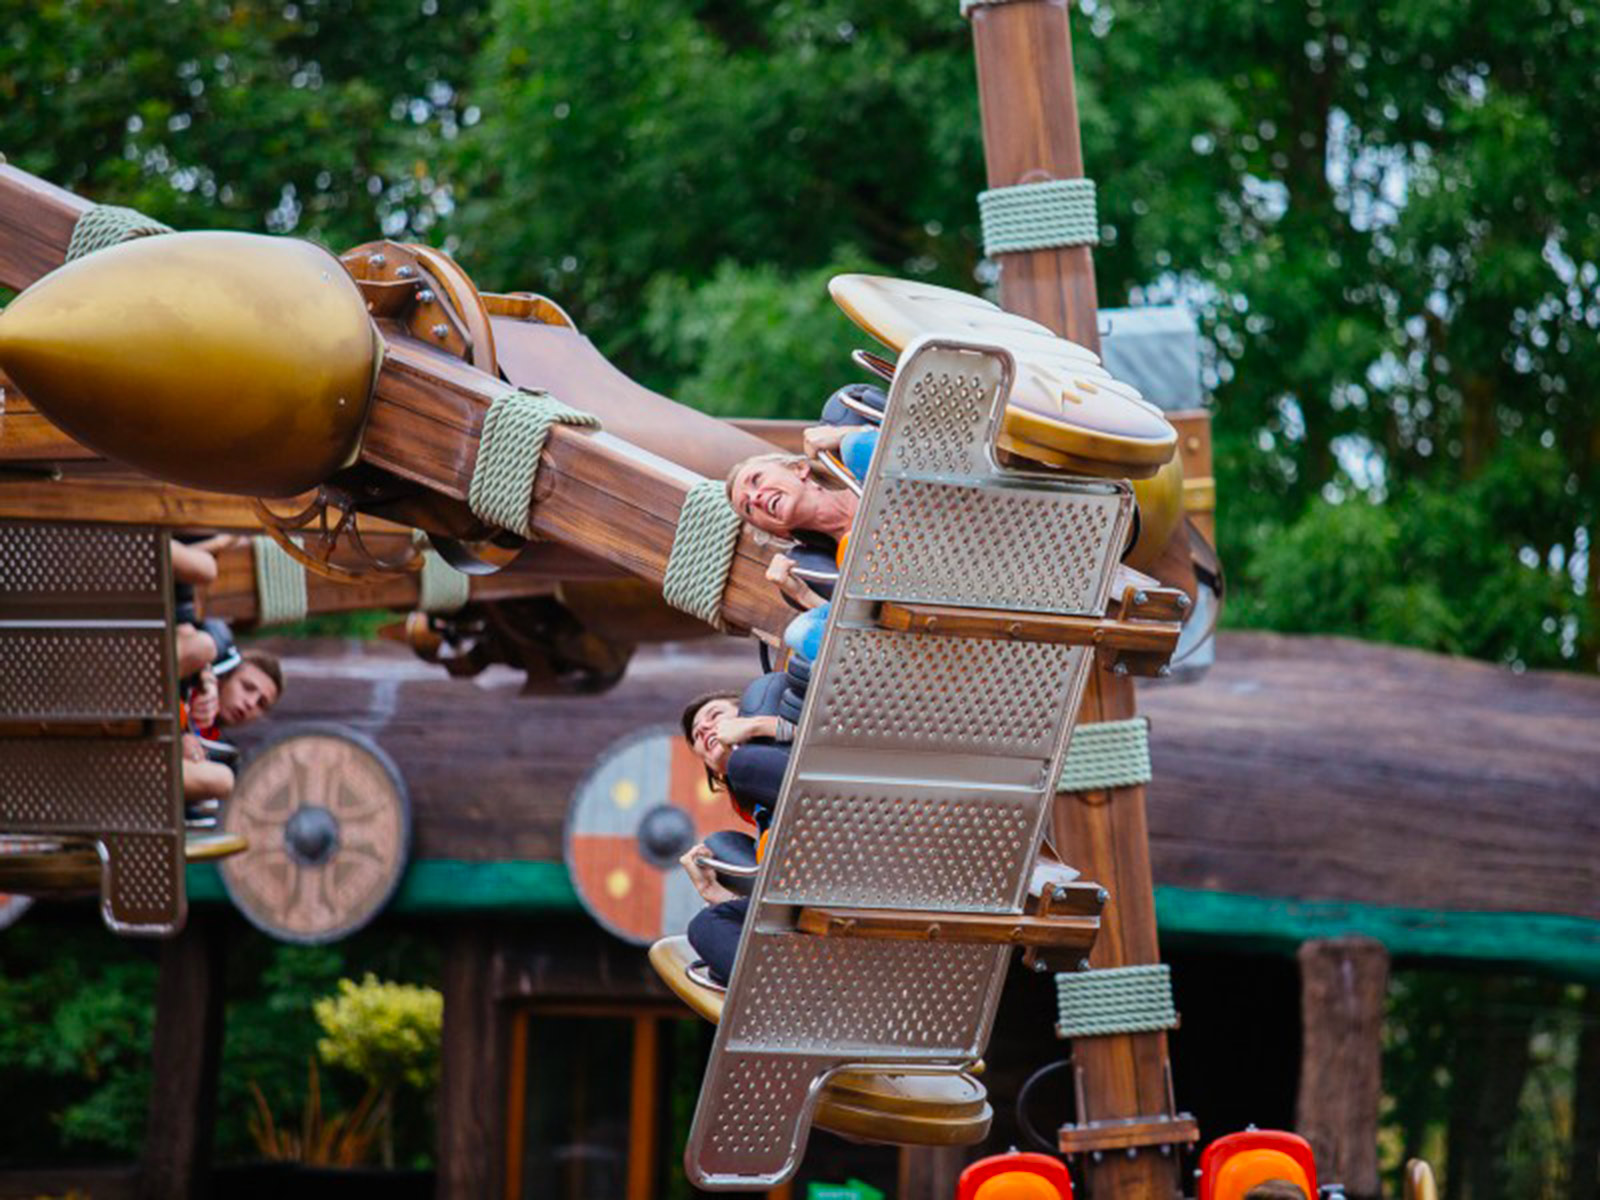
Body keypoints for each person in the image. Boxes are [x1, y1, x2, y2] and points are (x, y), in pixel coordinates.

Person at [676, 681, 797, 986]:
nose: (704, 730)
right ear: (716, 772)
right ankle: (784, 995)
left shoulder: (774, 734)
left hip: (852, 817)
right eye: (697, 738)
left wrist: (758, 726)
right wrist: (718, 895)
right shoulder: (761, 812)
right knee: (707, 926)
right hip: (809, 890)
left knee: (746, 764)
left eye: (714, 716)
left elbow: (840, 743)